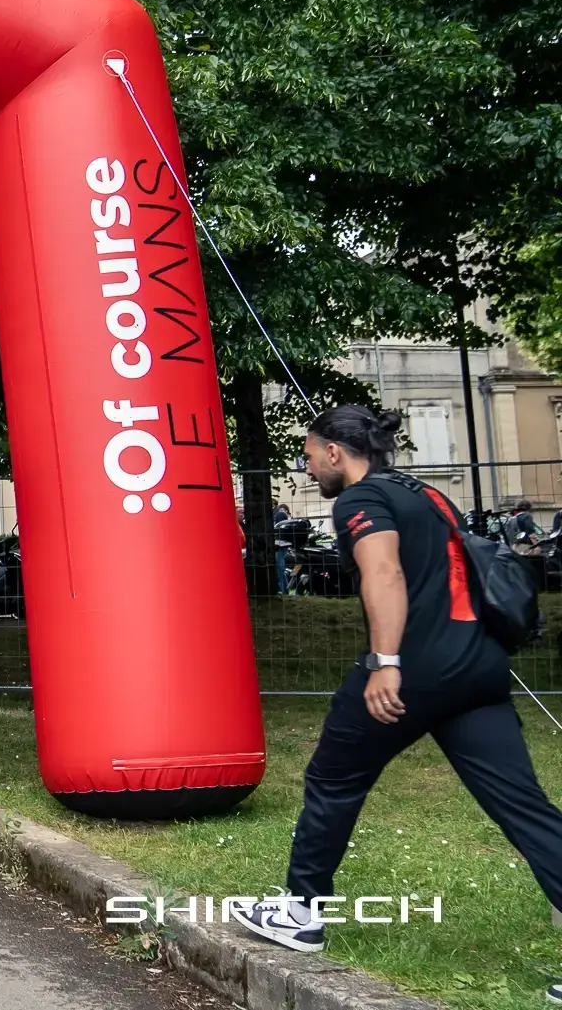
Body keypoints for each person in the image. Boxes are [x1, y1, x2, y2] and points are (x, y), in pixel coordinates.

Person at [233, 406, 562, 966]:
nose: (309, 469)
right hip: (479, 668)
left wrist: (386, 661)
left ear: (334, 452)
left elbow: (385, 573)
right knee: (523, 806)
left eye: (309, 456)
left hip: (415, 671)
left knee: (333, 777)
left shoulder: (360, 500)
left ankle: (301, 912)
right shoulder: (426, 492)